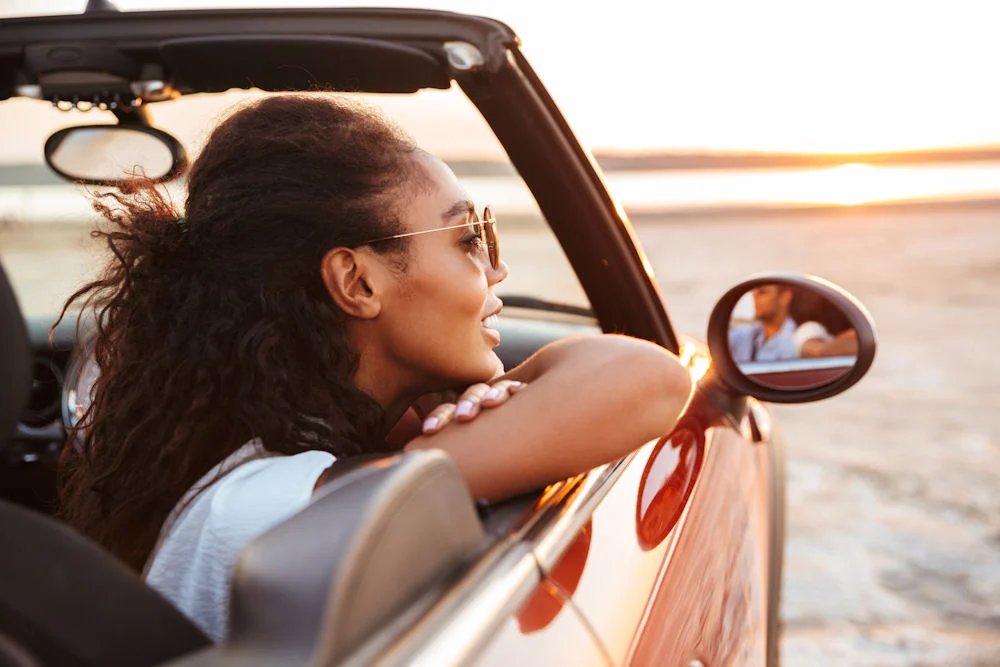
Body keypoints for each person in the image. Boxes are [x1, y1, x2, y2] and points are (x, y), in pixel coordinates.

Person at [55, 94, 692, 642]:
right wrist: (463, 421)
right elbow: (653, 380)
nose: (497, 270)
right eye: (469, 239)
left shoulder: (288, 470)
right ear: (356, 282)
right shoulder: (275, 505)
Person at [728, 284, 798, 363]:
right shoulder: (746, 336)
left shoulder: (796, 340)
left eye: (762, 292)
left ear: (785, 297)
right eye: (753, 292)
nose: (755, 296)